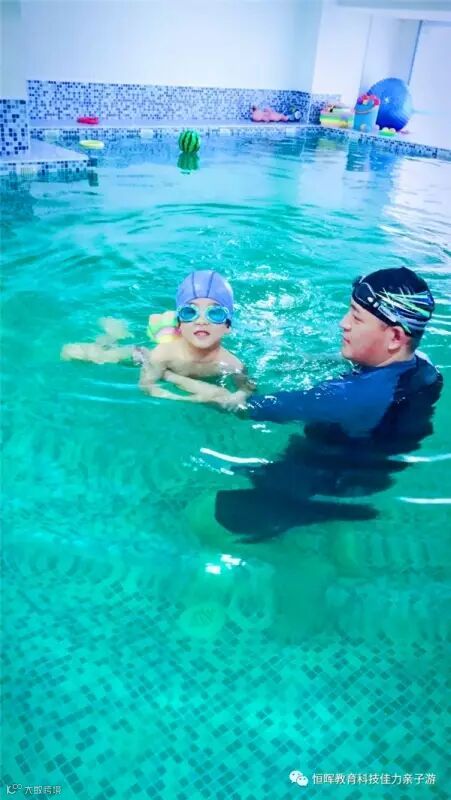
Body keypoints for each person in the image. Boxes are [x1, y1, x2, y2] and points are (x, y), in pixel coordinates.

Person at [163, 267, 443, 539]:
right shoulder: (425, 370)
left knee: (198, 514)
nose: (343, 323)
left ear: (395, 337)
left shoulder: (346, 397)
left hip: (315, 477)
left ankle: (303, 553)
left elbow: (243, 407)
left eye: (356, 318)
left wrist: (170, 376)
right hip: (365, 478)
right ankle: (335, 529)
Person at [61, 269, 254, 400]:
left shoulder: (234, 365)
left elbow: (246, 390)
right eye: (190, 312)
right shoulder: (162, 355)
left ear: (228, 326)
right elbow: (147, 387)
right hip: (143, 356)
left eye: (215, 313)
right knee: (72, 352)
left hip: (170, 367)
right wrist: (185, 391)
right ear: (179, 323)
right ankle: (113, 333)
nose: (201, 321)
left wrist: (237, 397)